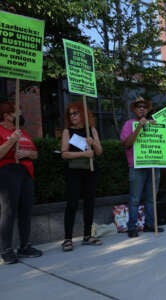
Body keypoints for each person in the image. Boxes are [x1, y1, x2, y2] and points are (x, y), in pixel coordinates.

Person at [0, 101, 42, 264]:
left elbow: (35, 153)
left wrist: (28, 154)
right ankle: (6, 249)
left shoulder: (22, 132)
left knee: (25, 210)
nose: (20, 113)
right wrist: (11, 141)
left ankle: (25, 246)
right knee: (8, 211)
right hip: (7, 172)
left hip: (26, 172)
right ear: (7, 116)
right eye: (17, 111)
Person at [61, 101, 103, 251]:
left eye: (76, 113)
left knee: (89, 203)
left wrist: (93, 143)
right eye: (70, 114)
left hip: (90, 171)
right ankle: (67, 238)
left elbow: (99, 152)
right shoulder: (67, 132)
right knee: (72, 203)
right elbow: (64, 153)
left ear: (83, 114)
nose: (73, 116)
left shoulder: (91, 130)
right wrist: (84, 153)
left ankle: (87, 235)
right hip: (73, 171)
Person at [120, 97, 165, 237]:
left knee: (151, 198)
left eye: (144, 107)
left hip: (153, 165)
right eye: (139, 106)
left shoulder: (154, 124)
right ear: (134, 109)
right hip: (136, 167)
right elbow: (126, 144)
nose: (141, 108)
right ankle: (132, 227)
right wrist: (139, 127)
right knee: (135, 199)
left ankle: (150, 224)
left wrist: (158, 127)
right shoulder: (129, 124)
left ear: (147, 110)